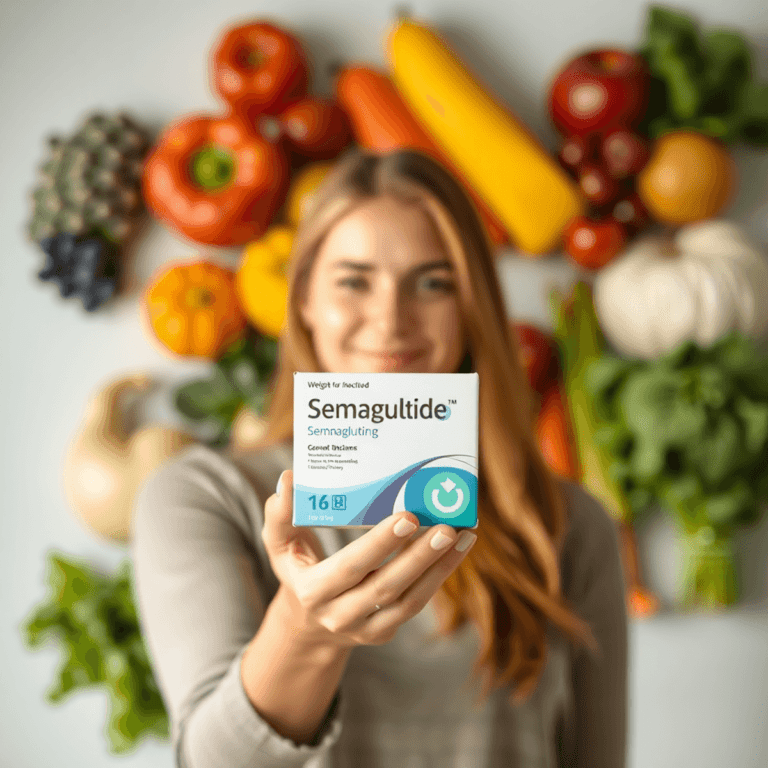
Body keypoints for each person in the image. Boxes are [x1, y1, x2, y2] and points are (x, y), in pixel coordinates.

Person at [130, 146, 628, 768]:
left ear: (473, 307)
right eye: (354, 280)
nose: (391, 318)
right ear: (305, 300)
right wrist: (304, 632)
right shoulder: (204, 496)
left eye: (433, 282)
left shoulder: (571, 525)